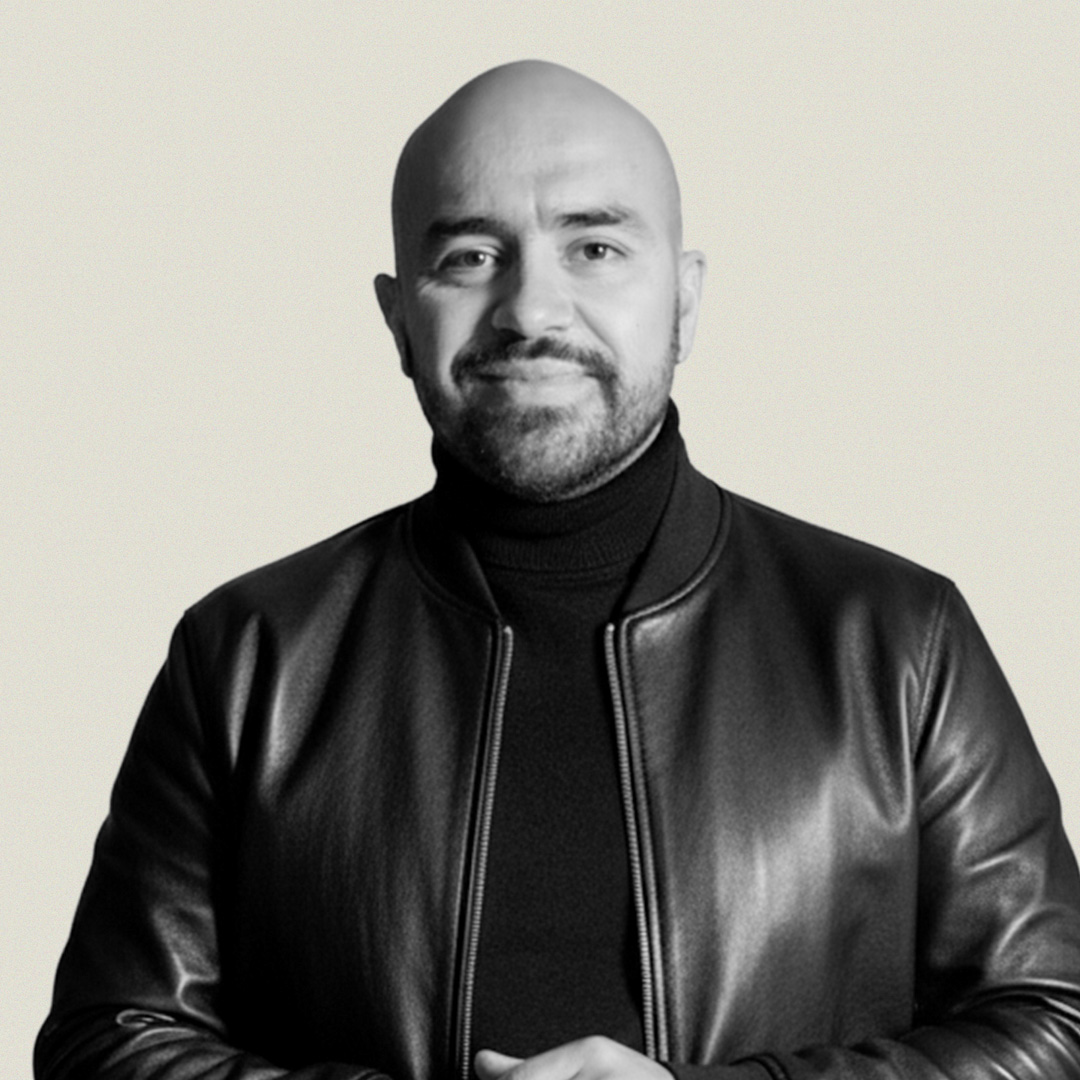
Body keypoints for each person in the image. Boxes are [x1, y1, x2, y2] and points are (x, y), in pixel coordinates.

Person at [35, 60, 1080, 1080]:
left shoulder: (897, 639)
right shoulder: (247, 655)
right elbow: (106, 1038)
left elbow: (1054, 1023)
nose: (531, 309)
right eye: (470, 257)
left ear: (686, 301)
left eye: (595, 247)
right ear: (398, 319)